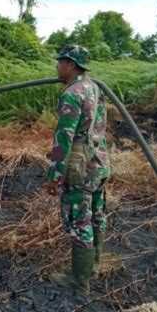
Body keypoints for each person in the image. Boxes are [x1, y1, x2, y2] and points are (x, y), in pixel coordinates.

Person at [45, 45, 111, 295]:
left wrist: (54, 176)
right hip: (100, 163)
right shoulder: (94, 87)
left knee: (79, 217)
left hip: (80, 166)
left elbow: (65, 137)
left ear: (71, 65)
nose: (57, 66)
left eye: (60, 62)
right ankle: (92, 268)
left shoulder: (72, 93)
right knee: (96, 215)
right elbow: (100, 126)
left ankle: (79, 280)